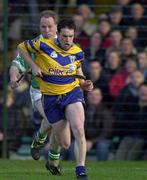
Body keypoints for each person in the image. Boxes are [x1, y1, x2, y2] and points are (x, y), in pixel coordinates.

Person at [18, 18, 93, 180]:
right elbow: (21, 47)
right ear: (57, 34)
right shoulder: (44, 44)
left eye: (71, 36)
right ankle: (42, 144)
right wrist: (33, 65)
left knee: (79, 129)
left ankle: (81, 170)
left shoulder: (77, 52)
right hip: (51, 98)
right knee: (65, 143)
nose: (67, 40)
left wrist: (84, 83)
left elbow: (77, 71)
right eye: (65, 36)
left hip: (72, 93)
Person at [9, 10, 64, 175]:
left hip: (61, 92)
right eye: (43, 27)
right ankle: (54, 161)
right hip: (39, 92)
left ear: (57, 27)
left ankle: (39, 141)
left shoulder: (65, 44)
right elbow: (16, 65)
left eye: (50, 27)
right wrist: (13, 78)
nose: (46, 30)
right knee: (55, 122)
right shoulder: (32, 46)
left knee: (59, 124)